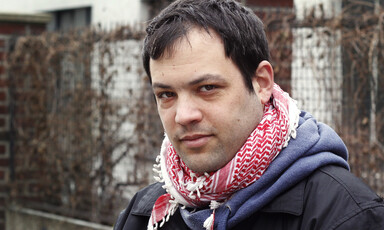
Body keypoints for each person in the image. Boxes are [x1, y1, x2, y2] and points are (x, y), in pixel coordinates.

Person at [114, 0, 384, 229]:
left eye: (207, 88)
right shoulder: (143, 215)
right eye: (166, 95)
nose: (184, 115)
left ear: (262, 83)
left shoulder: (345, 215)